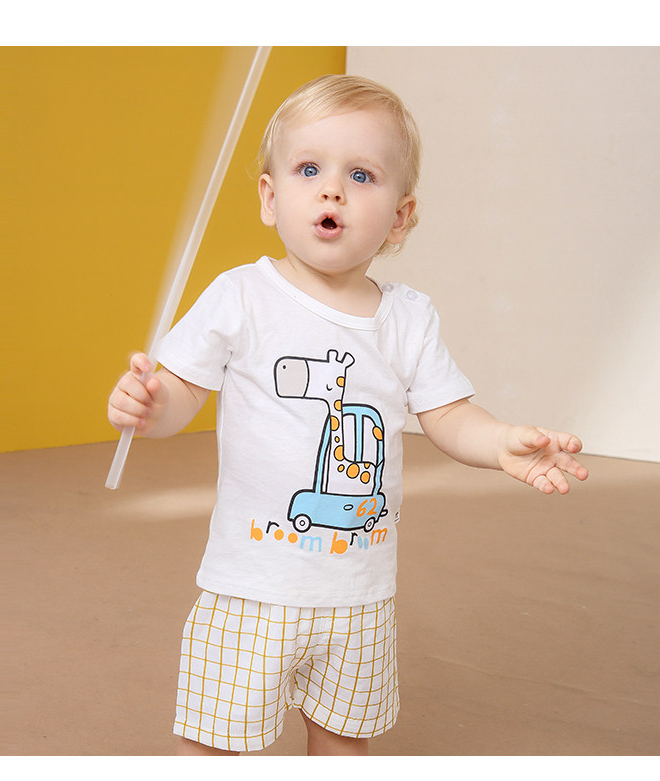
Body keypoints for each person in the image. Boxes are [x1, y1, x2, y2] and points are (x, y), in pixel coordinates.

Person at [107, 74, 589, 756]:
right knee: (213, 745)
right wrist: (150, 406)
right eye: (309, 169)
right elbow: (180, 394)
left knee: (343, 740)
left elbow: (449, 414)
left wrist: (501, 441)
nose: (332, 190)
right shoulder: (240, 296)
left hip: (359, 596)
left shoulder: (407, 318)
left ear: (399, 217)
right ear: (270, 198)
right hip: (251, 589)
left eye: (361, 175)